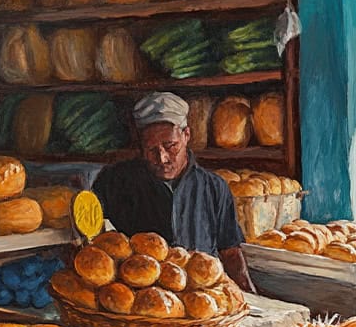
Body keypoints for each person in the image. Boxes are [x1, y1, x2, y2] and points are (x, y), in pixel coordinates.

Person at [92, 92, 255, 291]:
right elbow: (91, 241)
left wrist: (250, 297)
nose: (162, 158)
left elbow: (230, 252)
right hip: (140, 301)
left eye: (170, 146)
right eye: (151, 149)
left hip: (202, 299)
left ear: (186, 135)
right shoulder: (114, 181)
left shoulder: (214, 187)